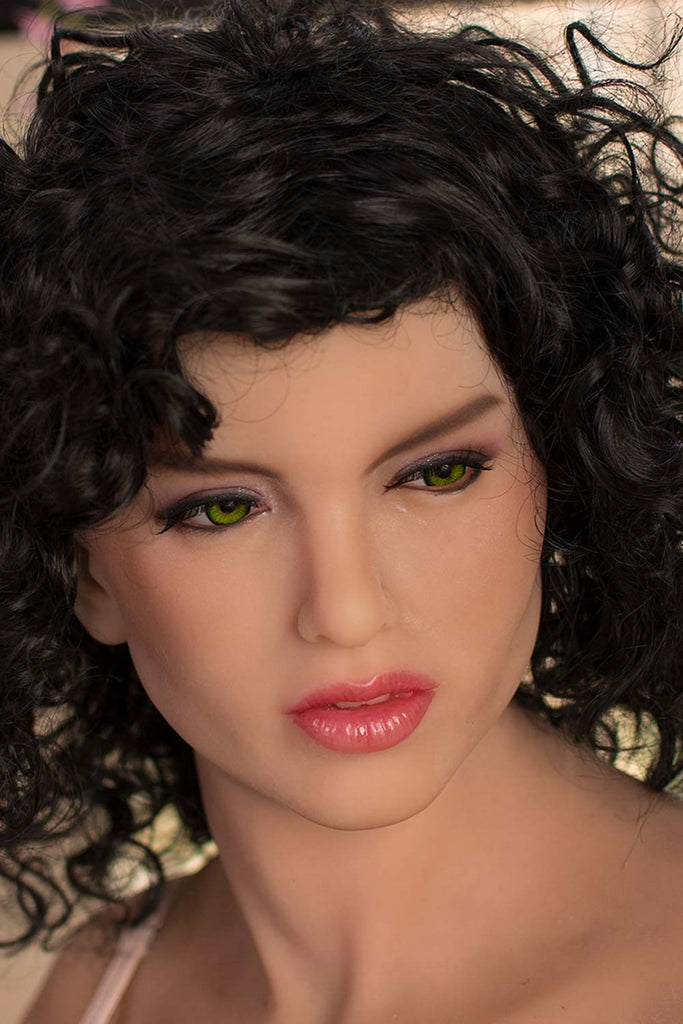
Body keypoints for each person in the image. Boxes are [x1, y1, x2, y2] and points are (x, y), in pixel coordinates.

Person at [1, 0, 683, 1020]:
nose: (347, 610)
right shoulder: (99, 989)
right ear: (85, 565)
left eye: (436, 474)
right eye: (222, 509)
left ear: (562, 471)